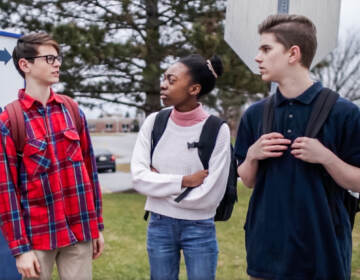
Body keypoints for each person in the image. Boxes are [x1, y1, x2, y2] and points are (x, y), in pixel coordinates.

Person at [235, 14, 360, 280]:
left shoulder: (345, 113)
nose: (258, 57)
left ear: (293, 53)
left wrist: (327, 158)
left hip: (323, 257)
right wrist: (252, 155)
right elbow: (247, 180)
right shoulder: (254, 115)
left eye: (266, 49)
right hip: (265, 257)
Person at [0, 32, 104, 280]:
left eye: (58, 58)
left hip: (79, 232)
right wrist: (20, 249)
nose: (57, 63)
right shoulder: (9, 120)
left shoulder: (72, 110)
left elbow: (90, 173)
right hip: (37, 238)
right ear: (25, 65)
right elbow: (6, 191)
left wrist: (96, 225)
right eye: (48, 58)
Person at [131, 54, 230, 280]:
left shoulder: (217, 129)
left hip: (200, 228)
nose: (163, 85)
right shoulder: (154, 122)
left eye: (172, 80)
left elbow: (211, 195)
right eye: (164, 78)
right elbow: (138, 178)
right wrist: (185, 181)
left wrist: (159, 185)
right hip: (159, 225)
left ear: (194, 89)